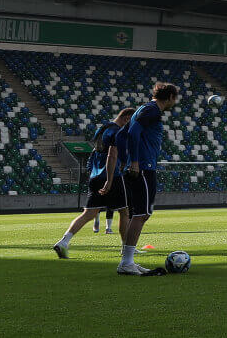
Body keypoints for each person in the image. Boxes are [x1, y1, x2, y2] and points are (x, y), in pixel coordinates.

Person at [115, 83, 179, 276]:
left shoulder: (144, 109)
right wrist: (133, 161)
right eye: (175, 98)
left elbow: (120, 135)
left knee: (142, 214)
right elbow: (132, 133)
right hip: (143, 167)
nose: (175, 102)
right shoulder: (152, 111)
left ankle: (128, 261)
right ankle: (126, 262)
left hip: (141, 166)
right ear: (169, 97)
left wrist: (124, 161)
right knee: (141, 214)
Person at [52, 107, 133, 257]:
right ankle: (127, 249)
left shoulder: (102, 129)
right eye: (131, 122)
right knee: (124, 211)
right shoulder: (117, 132)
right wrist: (109, 180)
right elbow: (112, 155)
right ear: (127, 118)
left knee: (88, 213)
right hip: (112, 176)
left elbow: (95, 153)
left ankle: (63, 242)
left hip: (95, 176)